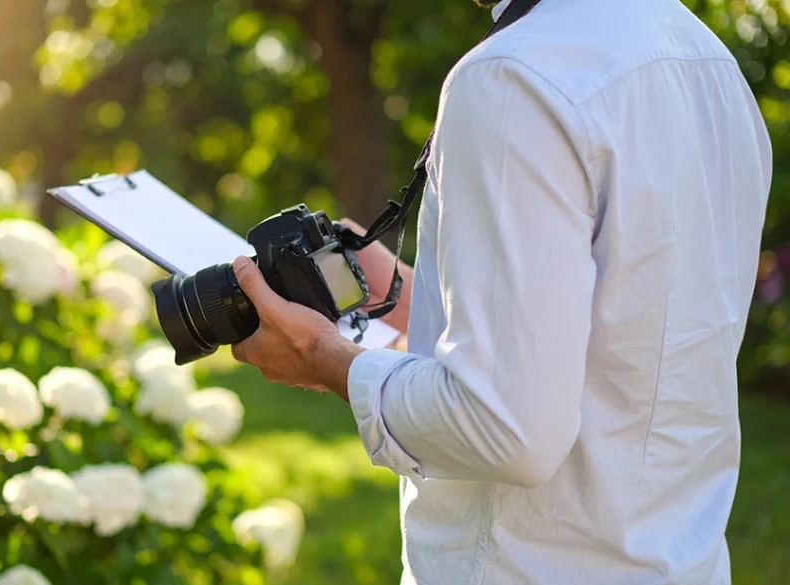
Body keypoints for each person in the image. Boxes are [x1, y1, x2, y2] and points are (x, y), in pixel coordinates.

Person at [228, 0, 772, 583]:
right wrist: (417, 296)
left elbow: (505, 428)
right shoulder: (707, 61)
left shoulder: (514, 74)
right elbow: (636, 326)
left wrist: (323, 358)